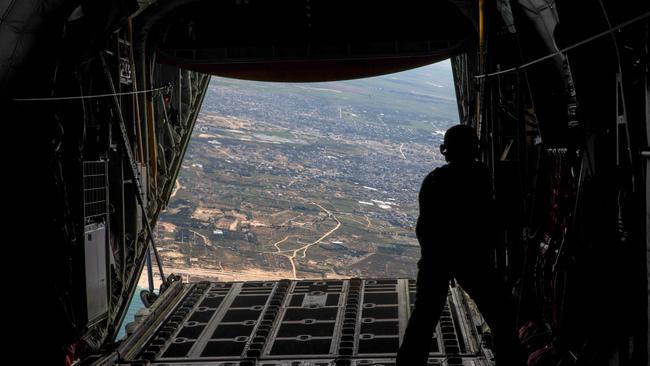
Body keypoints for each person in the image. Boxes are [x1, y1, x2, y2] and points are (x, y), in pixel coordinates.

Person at [396, 124, 522, 366]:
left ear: (446, 150)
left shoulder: (433, 180)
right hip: (472, 259)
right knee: (501, 319)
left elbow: (425, 229)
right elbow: (491, 220)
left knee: (422, 321)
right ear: (475, 149)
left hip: (438, 258)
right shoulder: (480, 176)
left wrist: (436, 258)